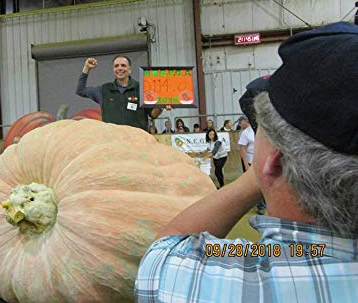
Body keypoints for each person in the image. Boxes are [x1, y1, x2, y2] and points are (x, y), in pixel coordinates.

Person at [135, 22, 358, 302]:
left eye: (262, 127)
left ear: (274, 162)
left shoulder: (229, 278)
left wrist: (257, 174)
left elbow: (164, 251)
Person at [76, 56, 169, 131]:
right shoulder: (104, 90)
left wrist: (160, 106)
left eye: (123, 65)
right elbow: (80, 90)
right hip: (113, 141)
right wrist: (86, 68)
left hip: (137, 141)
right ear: (113, 70)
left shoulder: (142, 89)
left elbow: (153, 115)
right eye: (116, 66)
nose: (120, 68)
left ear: (129, 69)